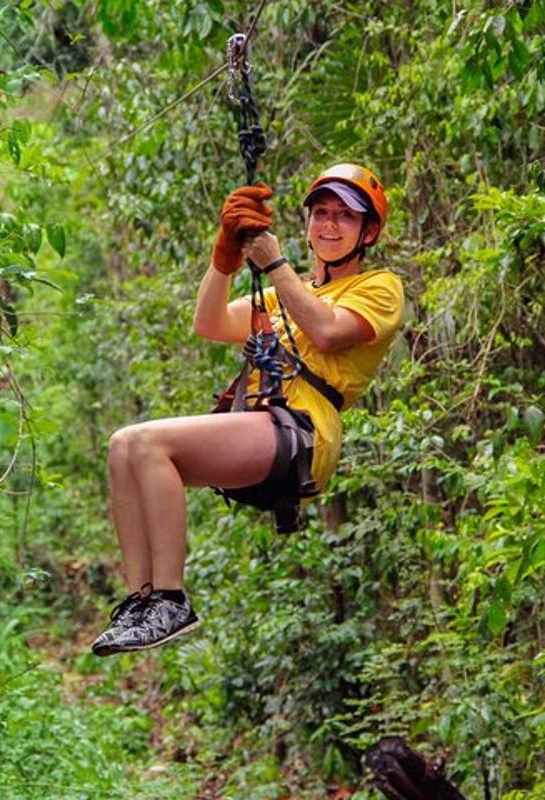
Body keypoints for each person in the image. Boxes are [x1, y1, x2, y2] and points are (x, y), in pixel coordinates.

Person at [91, 163, 404, 656]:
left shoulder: (379, 288)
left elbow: (328, 331)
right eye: (320, 213)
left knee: (150, 443)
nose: (328, 224)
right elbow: (210, 322)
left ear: (368, 231)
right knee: (123, 445)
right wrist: (225, 257)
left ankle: (171, 599)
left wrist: (276, 265)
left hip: (303, 434)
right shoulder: (285, 295)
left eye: (344, 216)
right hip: (264, 427)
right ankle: (142, 600)